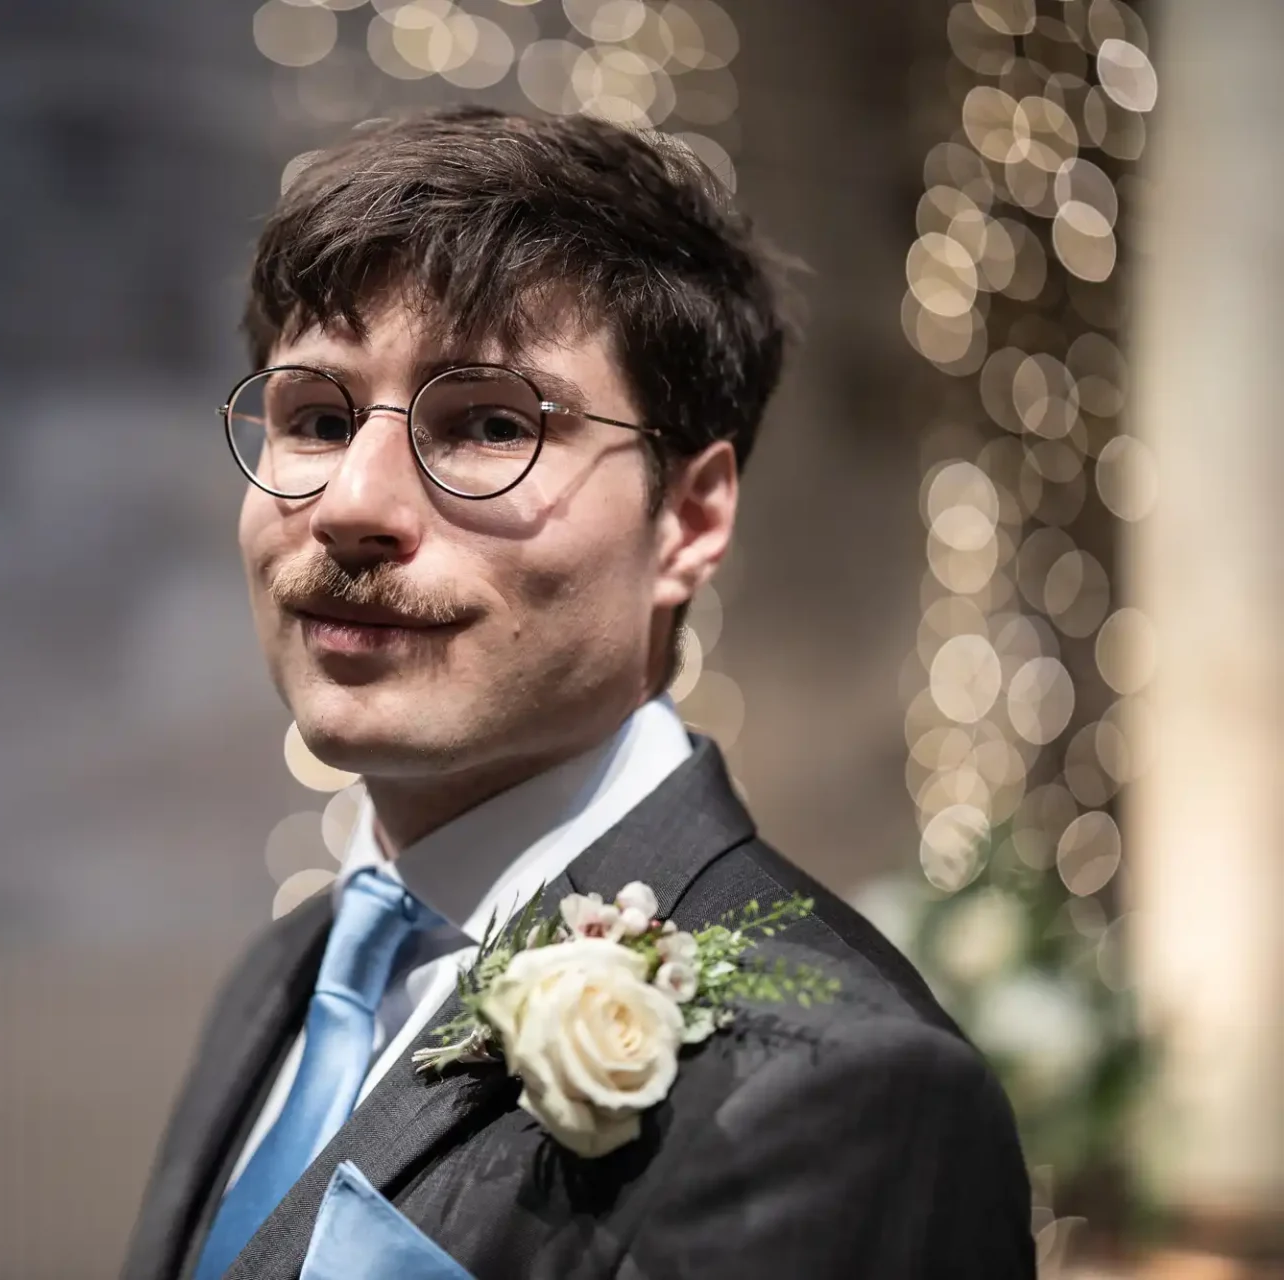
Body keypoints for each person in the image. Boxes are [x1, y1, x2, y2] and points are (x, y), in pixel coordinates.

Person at [122, 106, 1033, 1280]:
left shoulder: (841, 1086)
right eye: (318, 417)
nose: (352, 502)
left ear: (690, 518)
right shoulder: (288, 967)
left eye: (491, 423)